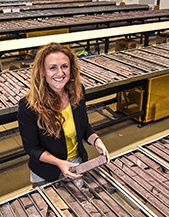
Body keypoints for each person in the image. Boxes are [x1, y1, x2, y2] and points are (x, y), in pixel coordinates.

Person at [17, 42, 109, 187]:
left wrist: (96, 141)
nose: (60, 73)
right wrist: (59, 163)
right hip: (46, 171)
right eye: (52, 68)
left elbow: (84, 127)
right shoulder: (29, 106)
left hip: (76, 165)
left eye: (64, 66)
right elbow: (32, 148)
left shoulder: (77, 93)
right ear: (42, 72)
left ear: (71, 69)